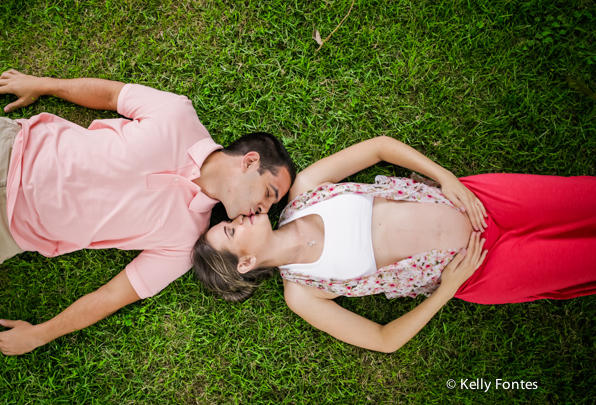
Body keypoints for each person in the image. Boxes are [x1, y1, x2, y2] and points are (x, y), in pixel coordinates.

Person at [0, 69, 296, 355]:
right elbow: (110, 96)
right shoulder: (177, 115)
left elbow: (111, 295)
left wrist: (41, 334)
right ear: (249, 162)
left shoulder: (184, 242)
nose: (264, 210)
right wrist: (43, 85)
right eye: (269, 193)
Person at [192, 136, 596, 353]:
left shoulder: (305, 190)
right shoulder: (301, 292)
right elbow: (384, 341)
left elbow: (380, 147)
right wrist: (449, 291)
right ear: (245, 263)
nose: (239, 215)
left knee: (585, 198)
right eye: (230, 231)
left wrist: (448, 177)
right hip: (481, 268)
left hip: (479, 201)